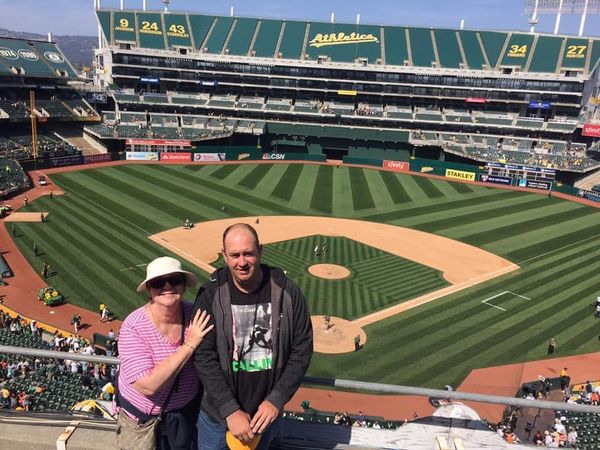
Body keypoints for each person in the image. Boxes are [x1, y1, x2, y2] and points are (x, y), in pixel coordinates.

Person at [193, 223, 313, 450]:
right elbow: (203, 355)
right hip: (217, 418)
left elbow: (302, 349)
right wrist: (229, 408)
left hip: (265, 417)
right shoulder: (210, 295)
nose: (242, 262)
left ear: (260, 250)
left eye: (248, 253)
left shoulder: (287, 292)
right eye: (234, 255)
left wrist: (276, 399)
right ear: (224, 256)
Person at [116, 256, 213, 450]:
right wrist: (190, 344)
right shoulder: (133, 326)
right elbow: (148, 386)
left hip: (184, 414)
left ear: (184, 286)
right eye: (159, 283)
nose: (167, 286)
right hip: (142, 422)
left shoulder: (195, 315)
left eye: (175, 280)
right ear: (150, 291)